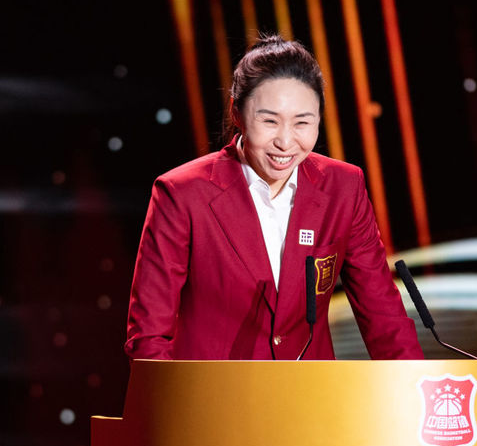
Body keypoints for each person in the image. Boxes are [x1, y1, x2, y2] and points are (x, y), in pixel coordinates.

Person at [125, 34, 423, 361]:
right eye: (269, 121)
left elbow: (384, 316)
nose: (285, 141)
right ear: (236, 113)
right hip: (214, 392)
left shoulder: (344, 187)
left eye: (302, 122)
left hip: (308, 390)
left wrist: (415, 388)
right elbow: (149, 335)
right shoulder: (181, 194)